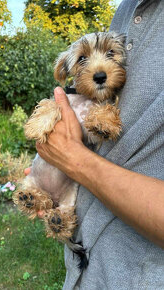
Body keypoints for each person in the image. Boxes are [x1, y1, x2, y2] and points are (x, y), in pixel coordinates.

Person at [26, 0, 164, 288]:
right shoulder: (125, 10)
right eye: (83, 60)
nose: (98, 68)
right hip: (86, 262)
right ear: (67, 69)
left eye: (111, 55)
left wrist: (73, 157)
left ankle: (58, 212)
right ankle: (38, 199)